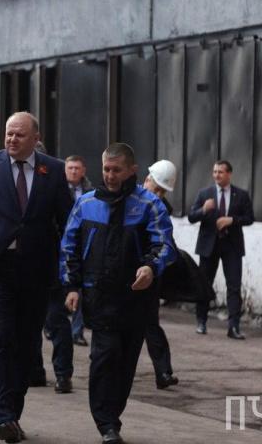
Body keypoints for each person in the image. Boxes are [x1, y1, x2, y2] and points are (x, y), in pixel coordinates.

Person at [0, 111, 73, 443]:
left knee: (27, 343)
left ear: (36, 138)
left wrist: (69, 269)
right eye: (8, 133)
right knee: (2, 338)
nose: (11, 139)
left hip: (36, 270)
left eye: (19, 135)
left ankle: (13, 412)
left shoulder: (54, 170)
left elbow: (67, 221)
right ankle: (3, 415)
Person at [60, 143, 176, 444]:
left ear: (132, 170)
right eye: (106, 169)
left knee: (125, 362)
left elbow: (164, 244)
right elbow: (69, 247)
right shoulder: (86, 204)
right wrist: (71, 286)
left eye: (117, 170)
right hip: (98, 297)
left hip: (136, 299)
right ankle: (106, 423)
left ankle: (113, 417)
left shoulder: (149, 205)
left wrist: (150, 267)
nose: (110, 176)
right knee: (104, 357)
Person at [188, 160, 254, 339]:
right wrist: (203, 210)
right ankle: (201, 321)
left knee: (234, 286)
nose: (217, 175)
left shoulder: (241, 195)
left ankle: (234, 327)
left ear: (229, 174)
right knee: (204, 284)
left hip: (232, 246)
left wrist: (231, 220)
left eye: (221, 172)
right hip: (209, 246)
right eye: (215, 172)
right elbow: (191, 217)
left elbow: (249, 218)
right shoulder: (204, 194)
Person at [142, 160, 180, 389]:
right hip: (125, 273)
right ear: (146, 180)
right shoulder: (129, 202)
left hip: (150, 275)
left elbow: (167, 244)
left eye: (162, 192)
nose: (157, 195)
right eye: (155, 189)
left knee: (151, 324)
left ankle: (163, 372)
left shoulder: (163, 211)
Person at [65, 155, 93, 346]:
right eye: (70, 168)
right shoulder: (57, 189)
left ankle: (77, 331)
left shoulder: (90, 192)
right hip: (61, 242)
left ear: (83, 171)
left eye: (77, 168)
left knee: (79, 288)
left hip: (82, 244)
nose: (74, 171)